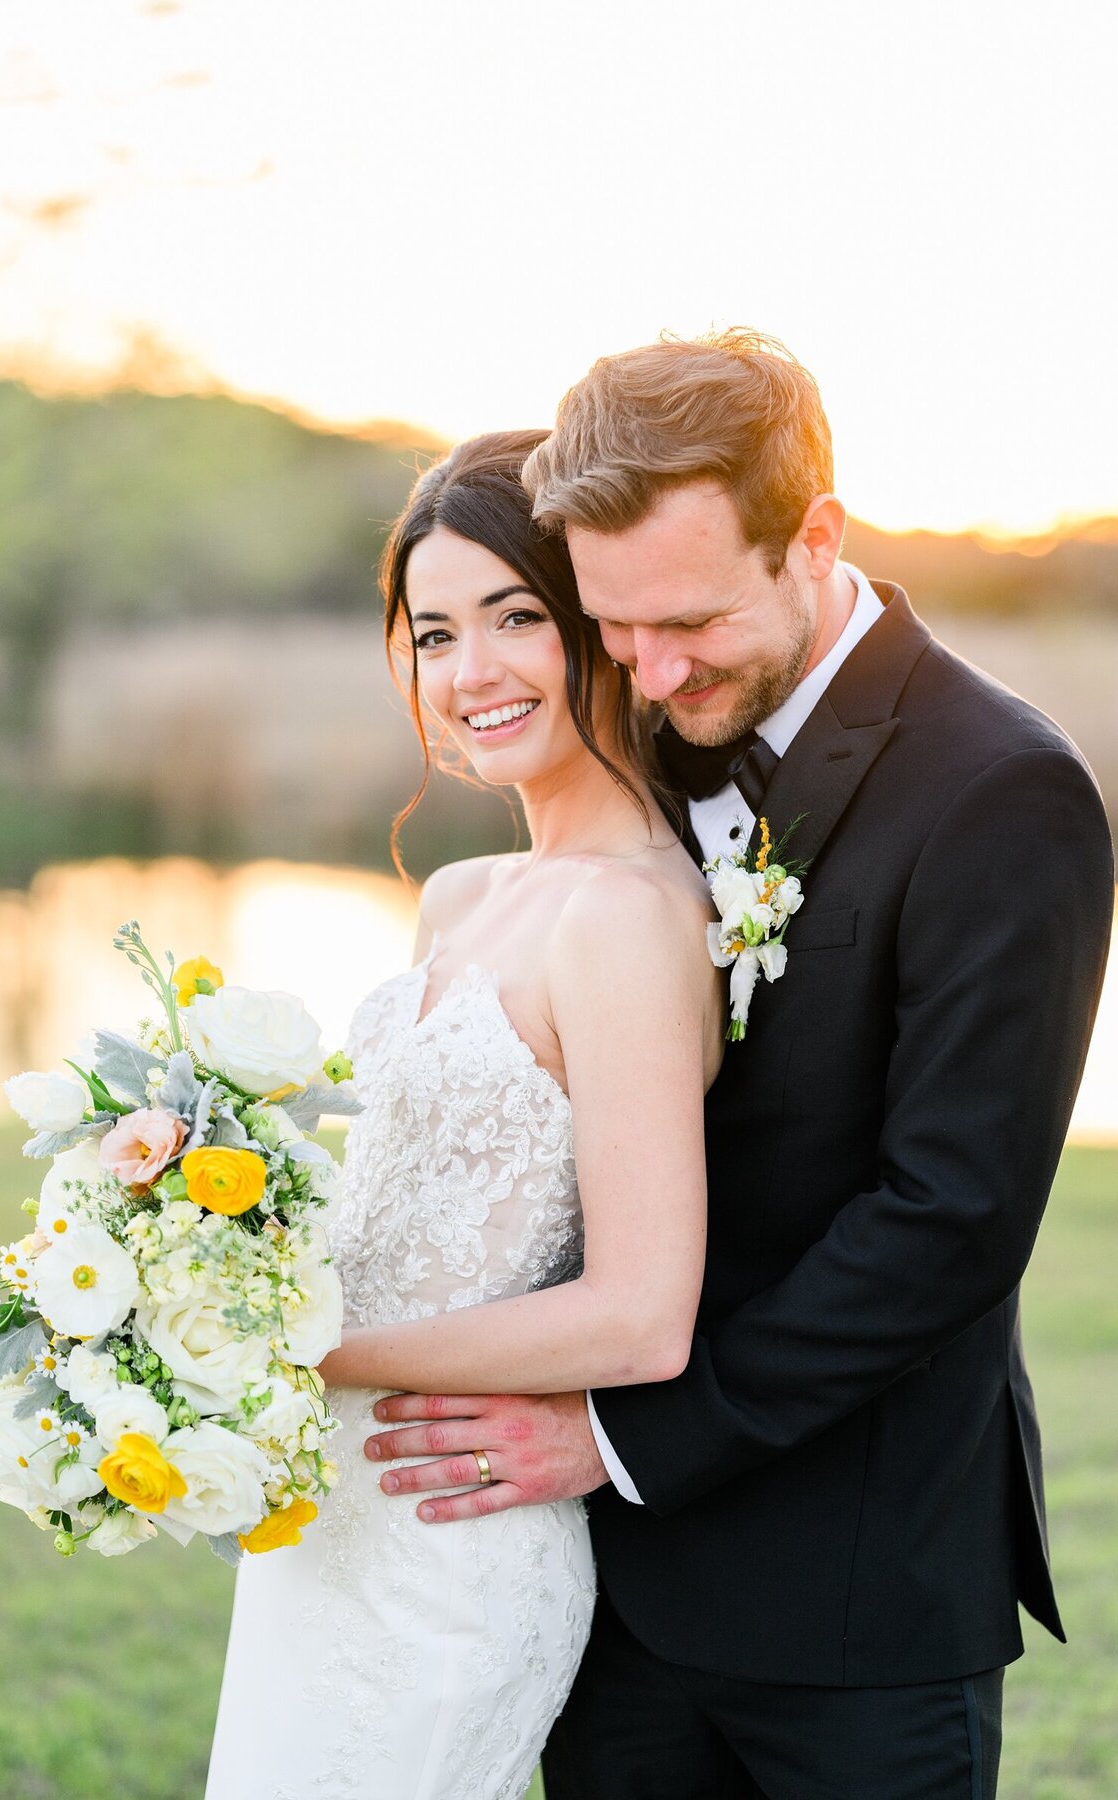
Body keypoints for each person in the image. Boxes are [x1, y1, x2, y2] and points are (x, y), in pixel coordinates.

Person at [365, 333, 1115, 1798]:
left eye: (688, 621)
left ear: (815, 537)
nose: (645, 669)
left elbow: (948, 1216)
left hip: (854, 1591)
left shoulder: (1000, 790)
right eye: (613, 624)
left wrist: (622, 1437)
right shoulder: (645, 731)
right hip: (601, 1588)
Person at [204, 431, 723, 1800]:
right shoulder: (461, 900)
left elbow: (640, 1313)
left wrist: (312, 1355)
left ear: (600, 630)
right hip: (324, 1526)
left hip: (450, 1547)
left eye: (515, 618)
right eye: (435, 633)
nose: (471, 671)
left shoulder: (628, 919)